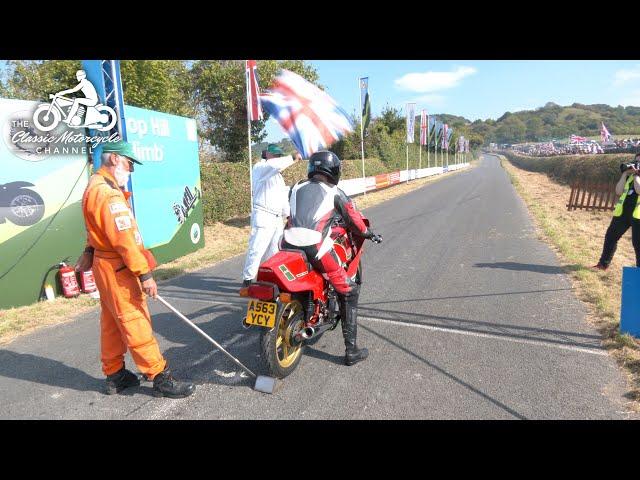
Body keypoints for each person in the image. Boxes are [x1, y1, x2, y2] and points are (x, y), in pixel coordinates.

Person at [75, 140, 195, 398]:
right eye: (130, 164)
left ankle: (115, 375)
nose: (131, 171)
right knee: (134, 319)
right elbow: (125, 240)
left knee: (111, 321)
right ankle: (159, 376)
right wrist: (145, 275)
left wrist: (88, 252)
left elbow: (96, 230)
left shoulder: (95, 186)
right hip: (119, 269)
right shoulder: (108, 193)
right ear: (115, 159)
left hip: (105, 266)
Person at [281, 150, 381, 366]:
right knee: (349, 292)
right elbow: (354, 221)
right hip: (313, 248)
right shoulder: (336, 193)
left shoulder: (295, 187)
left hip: (287, 243)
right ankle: (351, 351)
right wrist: (367, 233)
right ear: (334, 171)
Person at [241, 144, 301, 287]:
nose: (277, 157)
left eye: (279, 155)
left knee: (275, 251)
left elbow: (282, 197)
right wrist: (292, 157)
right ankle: (248, 280)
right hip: (263, 214)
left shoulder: (277, 176)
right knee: (257, 248)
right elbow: (274, 165)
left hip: (276, 218)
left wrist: (288, 215)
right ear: (267, 154)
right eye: (275, 155)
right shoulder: (260, 168)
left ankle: (268, 279)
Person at [593, 153, 640, 270]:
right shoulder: (630, 177)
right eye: (636, 161)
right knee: (610, 237)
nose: (636, 164)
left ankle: (638, 273)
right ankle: (603, 264)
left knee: (638, 245)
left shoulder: (636, 176)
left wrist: (636, 175)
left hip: (638, 215)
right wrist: (625, 174)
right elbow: (618, 191)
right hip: (623, 213)